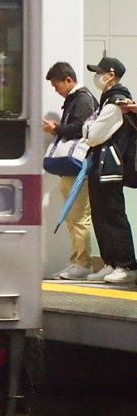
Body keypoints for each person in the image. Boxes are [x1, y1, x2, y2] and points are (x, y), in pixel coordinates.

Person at [82, 57, 137, 283]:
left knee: (113, 215)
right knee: (100, 215)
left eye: (100, 72)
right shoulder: (106, 101)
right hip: (100, 166)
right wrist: (89, 127)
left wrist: (88, 127)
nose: (97, 76)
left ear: (111, 75)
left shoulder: (116, 102)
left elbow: (92, 135)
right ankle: (111, 262)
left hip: (110, 167)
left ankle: (126, 265)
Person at [43, 62, 96, 279]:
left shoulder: (82, 99)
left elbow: (81, 128)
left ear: (68, 80)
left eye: (57, 86)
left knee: (78, 216)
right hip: (71, 170)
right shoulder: (76, 99)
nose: (57, 90)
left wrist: (57, 129)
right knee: (73, 217)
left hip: (78, 169)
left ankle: (82, 263)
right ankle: (77, 261)